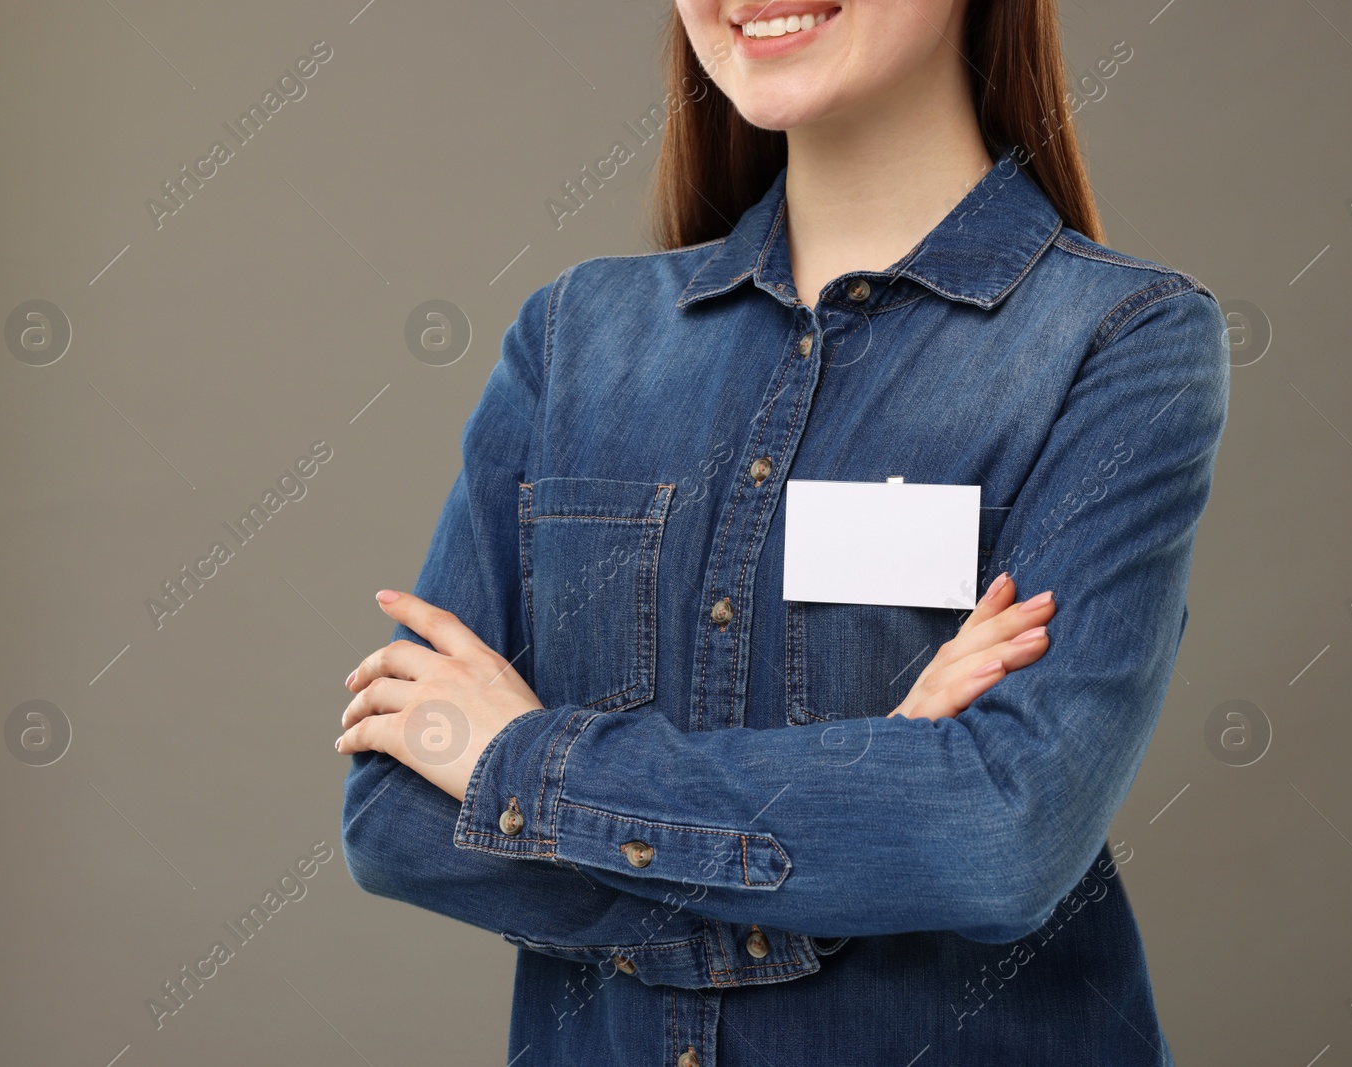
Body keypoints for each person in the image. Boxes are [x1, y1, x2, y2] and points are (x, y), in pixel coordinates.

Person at [335, 0, 1229, 1062]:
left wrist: (521, 763)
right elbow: (397, 817)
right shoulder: (571, 338)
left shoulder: (1121, 343)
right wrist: (882, 785)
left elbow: (999, 836)